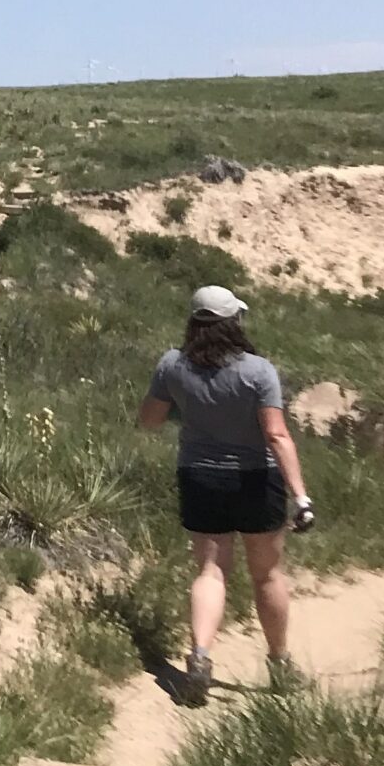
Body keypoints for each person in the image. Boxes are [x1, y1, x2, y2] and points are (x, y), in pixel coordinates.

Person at [136, 284, 314, 700]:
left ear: (194, 324)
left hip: (199, 476)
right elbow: (277, 435)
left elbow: (149, 420)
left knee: (211, 571)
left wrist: (187, 405)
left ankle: (199, 656)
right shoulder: (258, 371)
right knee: (266, 574)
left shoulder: (172, 366)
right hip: (256, 479)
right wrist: (301, 496)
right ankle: (279, 664)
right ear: (234, 322)